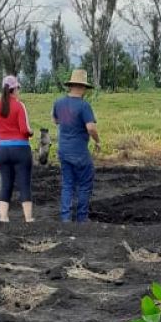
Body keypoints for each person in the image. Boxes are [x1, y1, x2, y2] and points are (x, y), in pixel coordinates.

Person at [52, 69, 100, 223]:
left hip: (64, 150)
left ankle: (65, 218)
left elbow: (56, 120)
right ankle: (81, 218)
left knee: (67, 184)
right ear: (82, 87)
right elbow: (91, 128)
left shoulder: (59, 103)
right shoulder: (84, 106)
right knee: (85, 184)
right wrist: (97, 141)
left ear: (71, 85)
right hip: (79, 151)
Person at [0, 74, 34, 223]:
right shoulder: (19, 105)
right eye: (18, 88)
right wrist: (31, 132)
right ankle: (28, 218)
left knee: (6, 183)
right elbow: (24, 130)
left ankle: (3, 217)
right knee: (24, 183)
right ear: (14, 89)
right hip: (20, 149)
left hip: (2, 150)